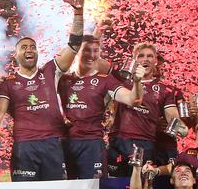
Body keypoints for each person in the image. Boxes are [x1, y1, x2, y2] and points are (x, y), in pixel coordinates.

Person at [0, 0, 85, 181]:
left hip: (53, 143)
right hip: (24, 146)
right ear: (16, 55)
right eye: (24, 47)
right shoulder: (9, 82)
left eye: (32, 47)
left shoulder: (50, 71)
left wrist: (78, 13)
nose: (29, 50)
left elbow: (74, 45)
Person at [58, 35, 144, 179]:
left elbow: (133, 100)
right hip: (65, 143)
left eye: (96, 51)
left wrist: (137, 81)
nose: (92, 55)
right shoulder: (63, 79)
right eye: (87, 50)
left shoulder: (105, 80)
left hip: (92, 144)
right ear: (77, 52)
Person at [108, 43, 187, 177]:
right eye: (141, 56)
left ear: (155, 61)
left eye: (150, 56)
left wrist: (181, 127)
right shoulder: (121, 81)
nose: (145, 59)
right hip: (118, 141)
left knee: (140, 186)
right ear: (134, 59)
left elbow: (172, 116)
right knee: (115, 184)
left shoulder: (164, 89)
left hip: (144, 144)